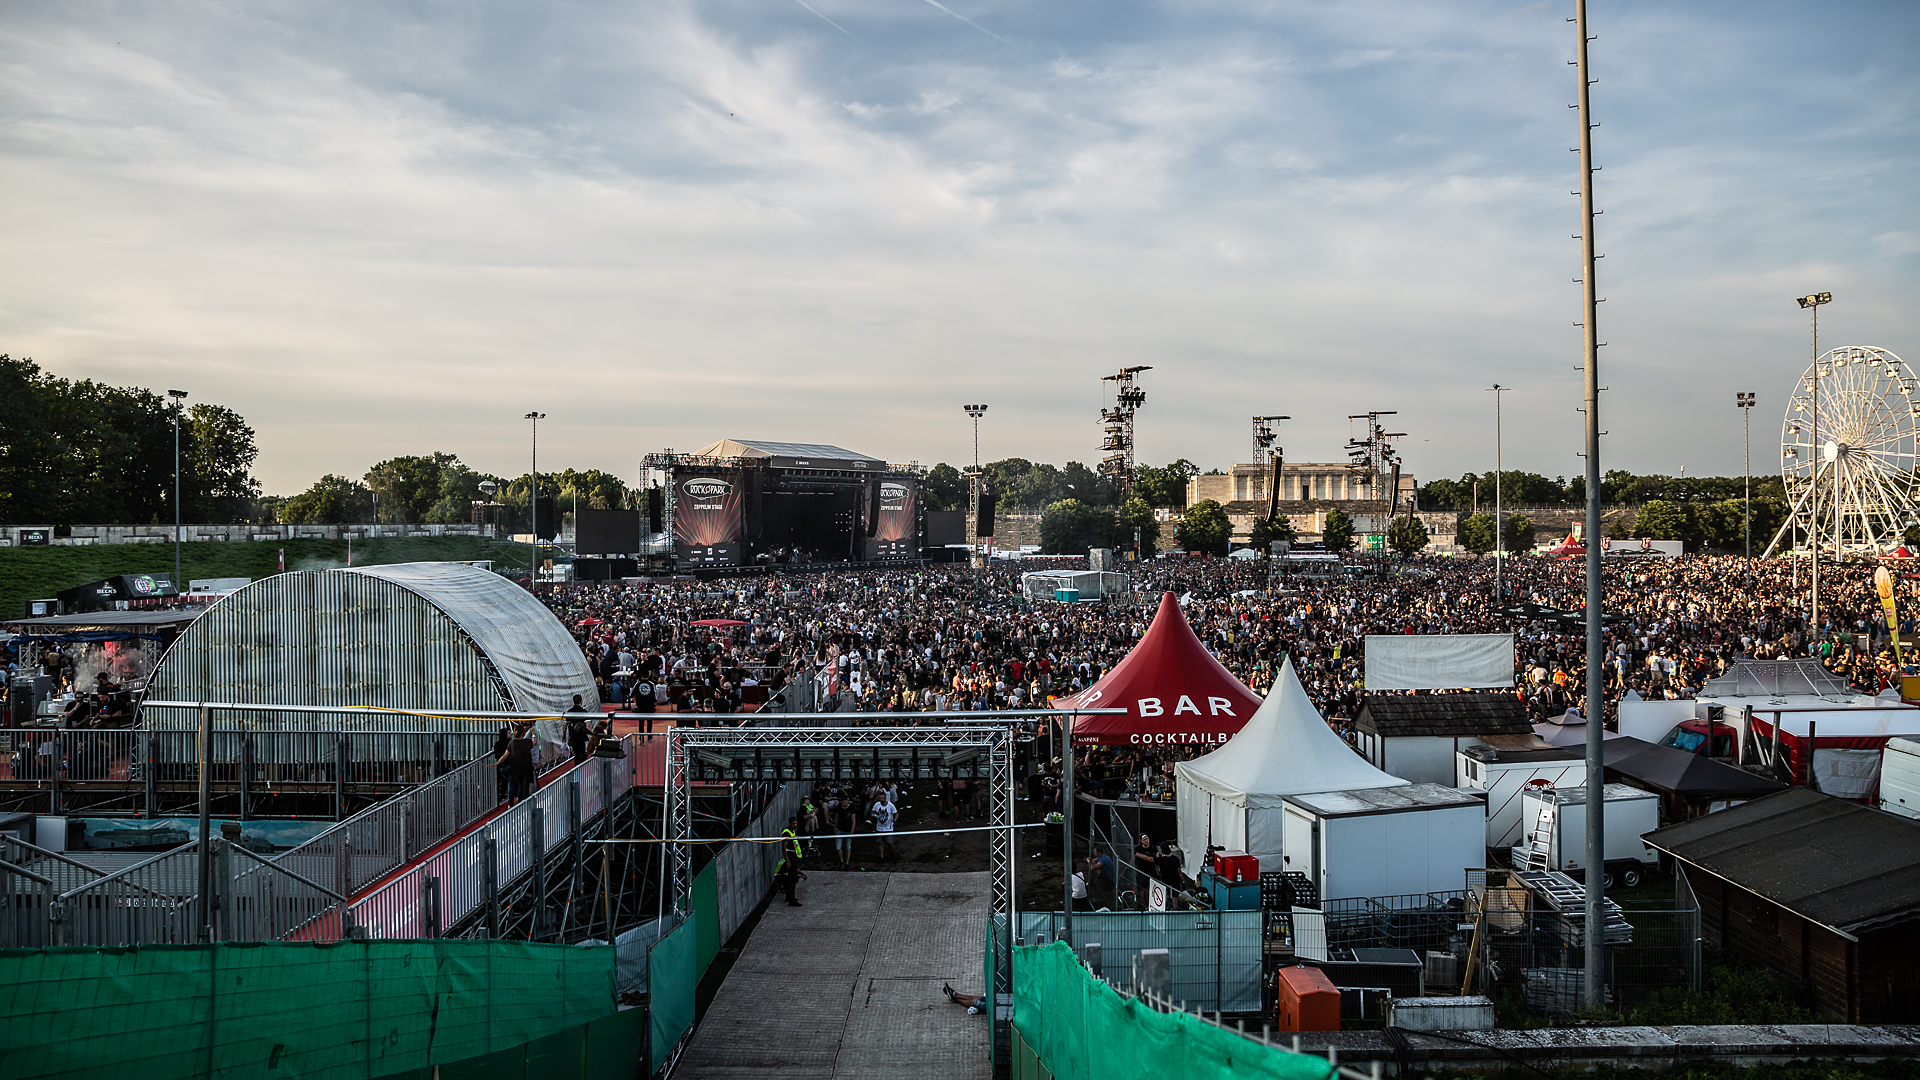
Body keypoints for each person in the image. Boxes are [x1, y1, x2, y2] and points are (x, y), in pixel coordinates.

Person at [774, 816, 805, 906]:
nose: (795, 825)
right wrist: (788, 861)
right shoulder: (786, 833)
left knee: (793, 878)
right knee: (792, 879)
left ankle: (789, 896)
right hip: (790, 857)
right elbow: (784, 848)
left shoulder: (792, 832)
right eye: (793, 824)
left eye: (796, 823)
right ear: (789, 823)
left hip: (793, 857)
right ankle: (791, 899)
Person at [870, 790, 897, 862]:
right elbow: (872, 812)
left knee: (889, 842)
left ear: (885, 798)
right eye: (880, 798)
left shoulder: (890, 805)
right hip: (879, 828)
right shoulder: (877, 805)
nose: (881, 799)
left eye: (882, 798)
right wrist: (874, 815)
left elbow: (896, 813)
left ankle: (892, 852)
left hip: (889, 828)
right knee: (880, 842)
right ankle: (882, 857)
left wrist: (895, 819)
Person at [833, 796, 856, 870]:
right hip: (840, 830)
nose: (844, 803)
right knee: (838, 846)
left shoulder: (852, 808)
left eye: (846, 802)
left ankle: (847, 863)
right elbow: (837, 817)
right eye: (843, 802)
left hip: (848, 830)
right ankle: (841, 861)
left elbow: (853, 820)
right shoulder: (839, 807)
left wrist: (852, 832)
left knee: (848, 847)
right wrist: (835, 828)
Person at [491, 724, 512, 802]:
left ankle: (501, 796)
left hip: (500, 766)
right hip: (508, 765)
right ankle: (510, 798)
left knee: (502, 781)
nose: (510, 735)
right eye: (509, 733)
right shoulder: (509, 743)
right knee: (511, 781)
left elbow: (497, 755)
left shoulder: (497, 744)